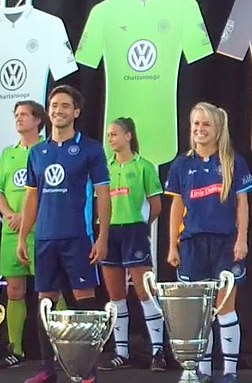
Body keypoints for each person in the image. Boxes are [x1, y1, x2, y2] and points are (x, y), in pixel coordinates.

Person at [18, 85, 111, 383]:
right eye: (54, 105)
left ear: (76, 112)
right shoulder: (37, 152)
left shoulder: (91, 149)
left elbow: (103, 195)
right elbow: (31, 198)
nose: (58, 110)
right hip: (45, 238)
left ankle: (87, 370)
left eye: (65, 106)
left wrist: (103, 237)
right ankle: (48, 368)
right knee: (45, 302)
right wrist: (23, 236)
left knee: (84, 302)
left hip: (78, 237)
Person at [165, 102, 252, 383]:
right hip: (192, 244)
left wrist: (242, 240)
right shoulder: (182, 163)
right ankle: (199, 371)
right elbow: (176, 207)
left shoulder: (232, 161)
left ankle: (229, 372)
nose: (200, 130)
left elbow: (242, 204)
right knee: (198, 313)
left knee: (225, 308)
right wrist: (172, 244)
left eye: (206, 125)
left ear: (217, 130)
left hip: (225, 243)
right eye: (196, 124)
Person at [97, 117, 166, 372]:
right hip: (109, 231)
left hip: (134, 229)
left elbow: (156, 205)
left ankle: (158, 351)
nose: (110, 139)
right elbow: (100, 203)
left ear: (128, 136)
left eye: (114, 134)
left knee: (144, 291)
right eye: (108, 135)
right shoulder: (105, 168)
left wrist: (140, 226)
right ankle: (121, 352)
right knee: (116, 295)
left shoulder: (144, 166)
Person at [0, 100, 47, 369]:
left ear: (38, 120)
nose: (19, 119)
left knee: (49, 288)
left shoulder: (47, 150)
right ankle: (16, 349)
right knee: (14, 289)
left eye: (24, 114)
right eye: (16, 115)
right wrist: (9, 215)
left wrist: (27, 216)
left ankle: (60, 346)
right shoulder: (8, 154)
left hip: (41, 229)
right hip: (12, 230)